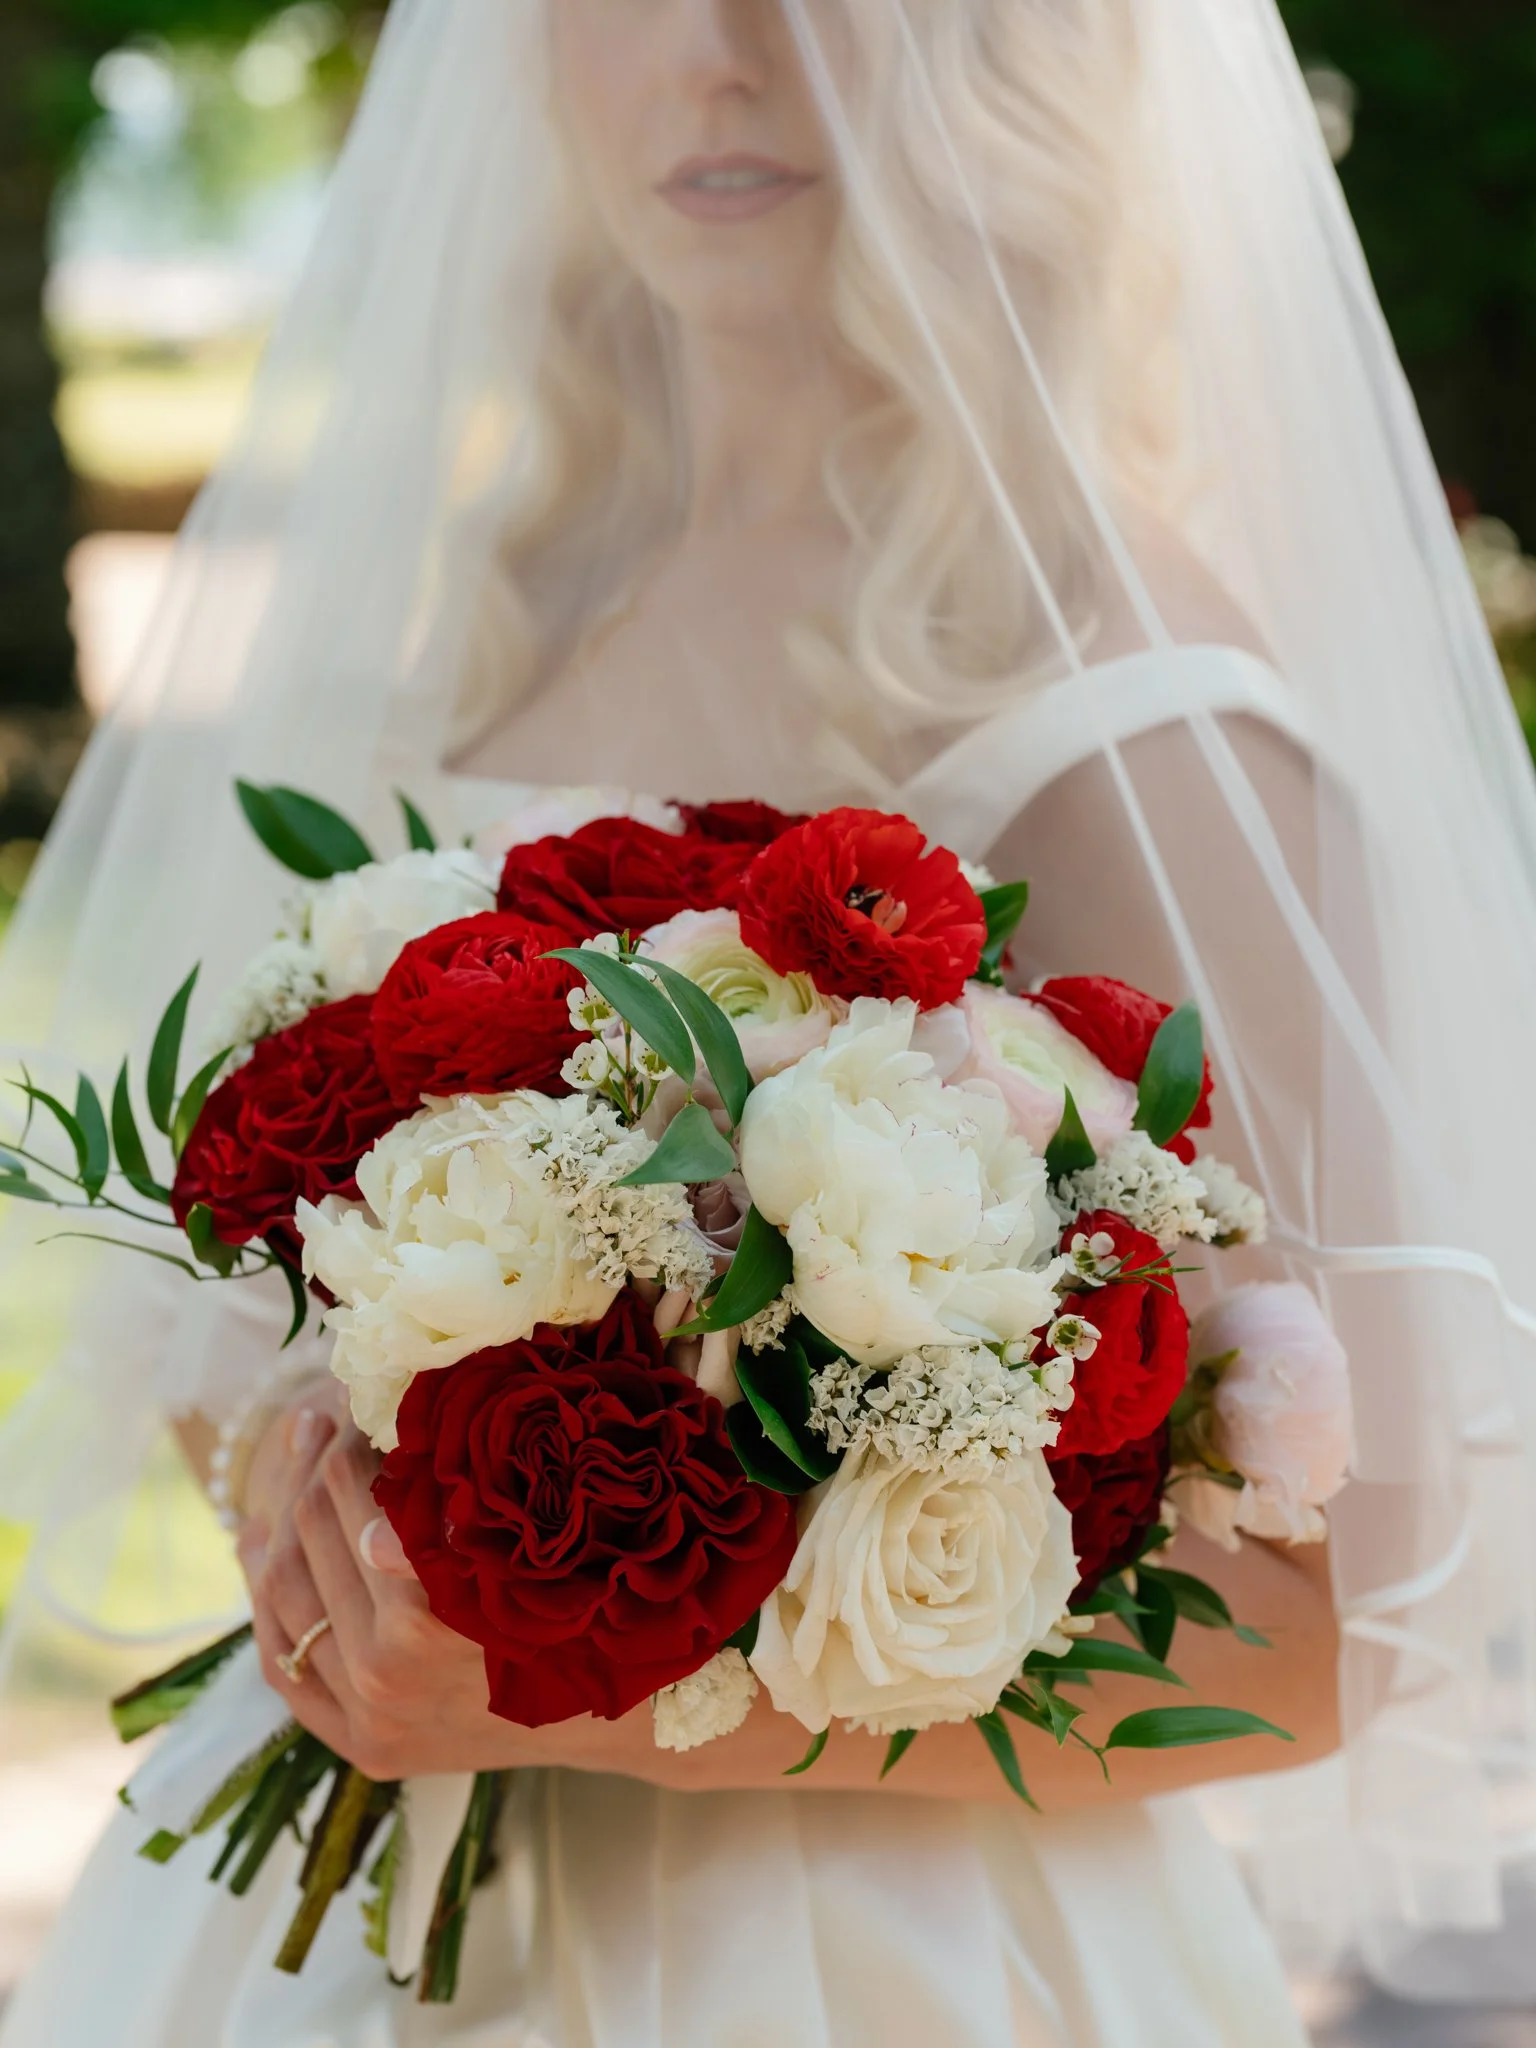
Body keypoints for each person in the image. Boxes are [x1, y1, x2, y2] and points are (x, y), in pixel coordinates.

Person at [3, 2, 1536, 2041]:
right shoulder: (507, 596)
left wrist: (620, 1697)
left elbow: (1335, 1636)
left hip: (852, 1968)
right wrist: (356, 1526)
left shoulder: (1128, 708)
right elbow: (241, 1334)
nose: (719, 55)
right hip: (317, 1924)